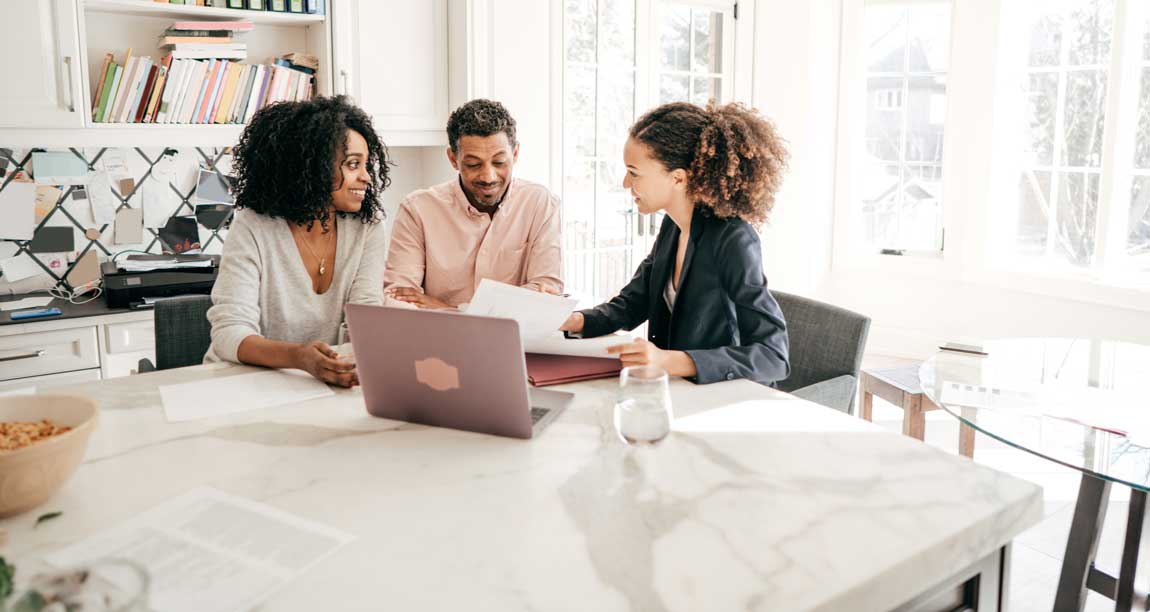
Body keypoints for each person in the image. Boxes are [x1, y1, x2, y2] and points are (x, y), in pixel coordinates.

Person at [560, 101, 790, 386]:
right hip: (679, 392)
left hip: (724, 397)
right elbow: (633, 303)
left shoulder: (733, 240)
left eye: (634, 172)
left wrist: (669, 361)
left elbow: (773, 356)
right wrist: (575, 321)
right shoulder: (673, 225)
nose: (624, 183)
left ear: (678, 178)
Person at [205, 96, 391, 387]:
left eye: (367, 165)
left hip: (321, 384)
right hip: (244, 384)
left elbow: (365, 319)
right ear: (313, 166)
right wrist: (299, 357)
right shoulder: (253, 227)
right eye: (353, 164)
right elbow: (229, 333)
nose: (367, 177)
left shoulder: (367, 228)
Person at [384, 99, 562, 308]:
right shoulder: (417, 210)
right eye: (473, 164)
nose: (488, 176)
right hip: (438, 340)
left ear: (515, 154)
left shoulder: (540, 204)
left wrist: (448, 309)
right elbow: (399, 298)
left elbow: (546, 294)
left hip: (514, 340)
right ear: (453, 159)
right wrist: (514, 302)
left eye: (499, 162)